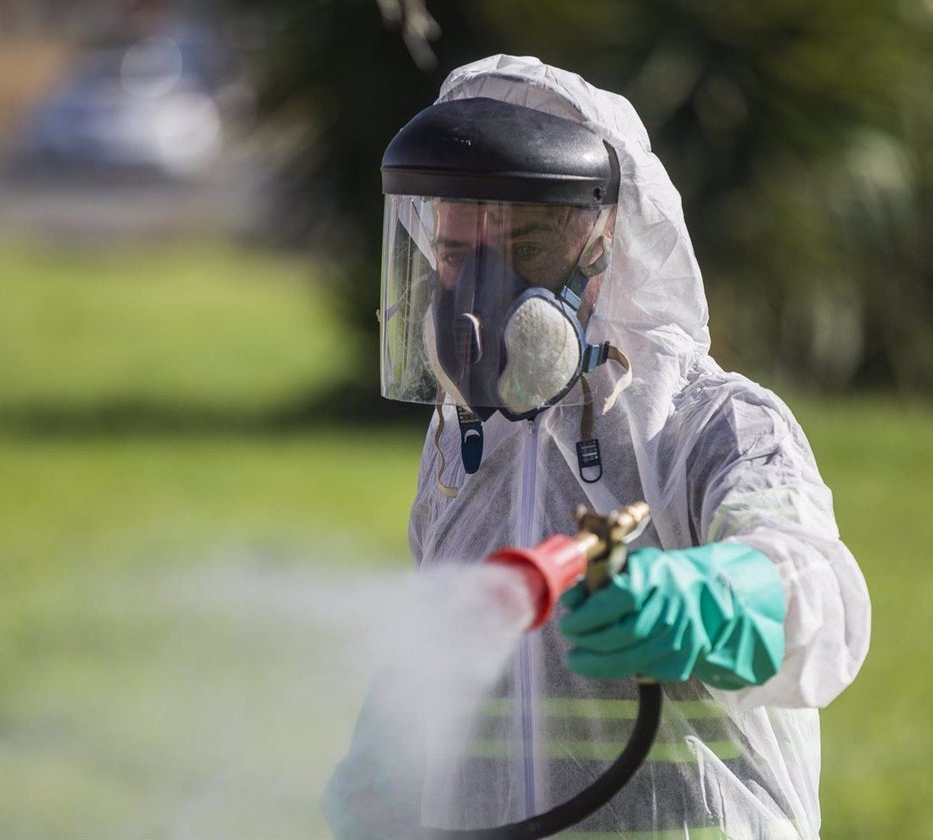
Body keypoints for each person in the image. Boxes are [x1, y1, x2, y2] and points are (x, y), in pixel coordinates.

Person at [325, 54, 870, 839]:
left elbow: (823, 595)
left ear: (607, 247)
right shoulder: (464, 450)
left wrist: (713, 602)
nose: (477, 300)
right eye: (455, 255)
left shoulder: (710, 425)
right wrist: (381, 780)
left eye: (526, 249)